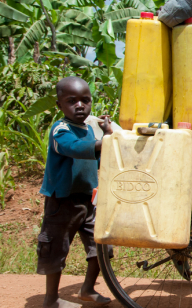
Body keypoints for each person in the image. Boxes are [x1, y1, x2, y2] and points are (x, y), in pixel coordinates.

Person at [36, 76, 113, 308]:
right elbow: (73, 148)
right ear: (59, 105)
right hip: (62, 201)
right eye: (72, 101)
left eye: (85, 100)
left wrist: (106, 133)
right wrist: (105, 141)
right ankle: (51, 300)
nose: (80, 105)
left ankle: (87, 289)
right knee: (57, 249)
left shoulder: (89, 130)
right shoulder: (61, 130)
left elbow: (95, 158)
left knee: (101, 247)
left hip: (88, 200)